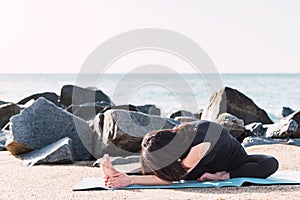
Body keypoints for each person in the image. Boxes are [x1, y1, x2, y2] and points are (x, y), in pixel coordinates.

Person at [101, 120, 279, 188]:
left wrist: (131, 180)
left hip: (233, 162)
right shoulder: (173, 142)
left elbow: (169, 179)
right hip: (200, 168)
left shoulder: (200, 139)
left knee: (270, 163)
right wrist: (124, 177)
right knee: (161, 169)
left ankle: (223, 176)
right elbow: (167, 173)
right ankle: (117, 173)